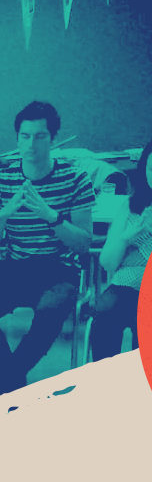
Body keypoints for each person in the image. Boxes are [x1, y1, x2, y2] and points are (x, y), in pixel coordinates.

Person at [0, 101, 94, 399]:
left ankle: (4, 385)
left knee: (49, 313)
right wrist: (3, 215)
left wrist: (51, 216)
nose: (31, 144)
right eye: (25, 136)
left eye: (40, 136)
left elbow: (84, 243)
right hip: (17, 265)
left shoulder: (75, 179)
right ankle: (12, 380)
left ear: (53, 139)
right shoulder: (2, 180)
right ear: (17, 139)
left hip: (59, 268)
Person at [90, 139, 152, 360]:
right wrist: (127, 238)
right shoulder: (131, 205)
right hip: (128, 283)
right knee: (105, 312)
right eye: (151, 168)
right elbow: (107, 263)